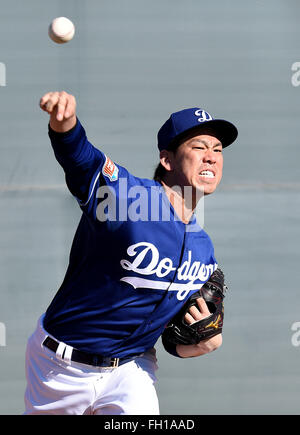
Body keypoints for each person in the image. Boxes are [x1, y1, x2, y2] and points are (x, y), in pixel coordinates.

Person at [24, 91, 238, 415]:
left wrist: (203, 341)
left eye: (218, 150)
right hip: (61, 368)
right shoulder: (128, 199)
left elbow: (173, 335)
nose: (211, 157)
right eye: (198, 147)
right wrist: (65, 125)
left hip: (131, 371)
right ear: (167, 159)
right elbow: (82, 161)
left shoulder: (203, 250)